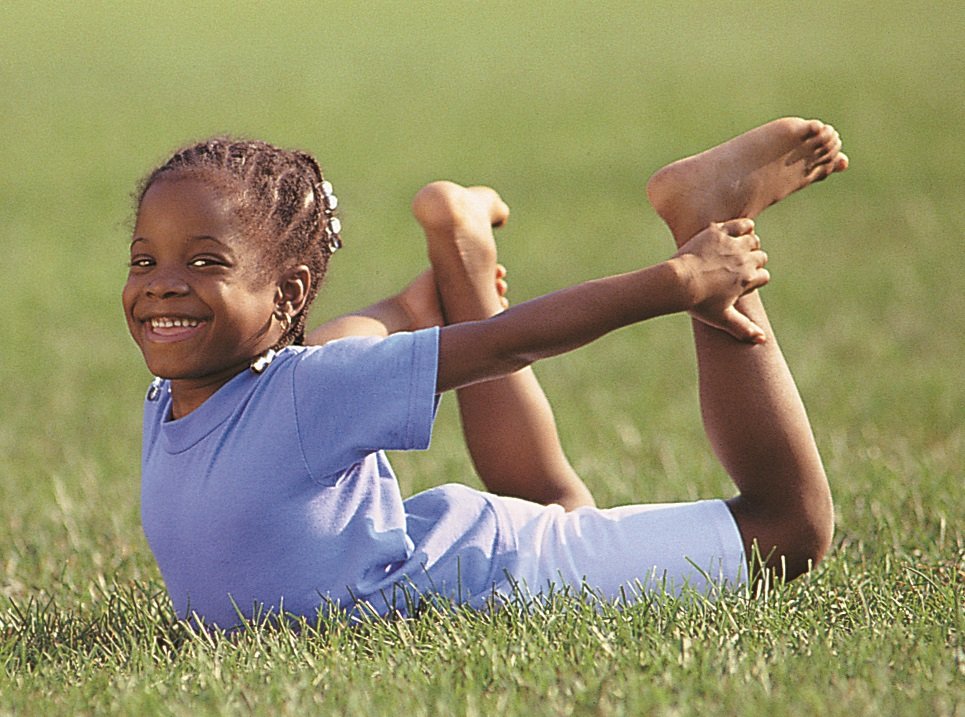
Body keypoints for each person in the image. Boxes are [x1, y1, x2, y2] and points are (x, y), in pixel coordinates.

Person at [124, 118, 848, 628]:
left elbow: (507, 342)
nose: (161, 283)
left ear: (285, 296)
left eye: (204, 261)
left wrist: (682, 280)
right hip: (458, 549)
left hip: (501, 573)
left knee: (788, 529)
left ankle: (707, 211)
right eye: (144, 260)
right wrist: (406, 309)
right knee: (560, 501)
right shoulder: (180, 395)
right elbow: (328, 357)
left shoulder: (305, 391)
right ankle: (457, 259)